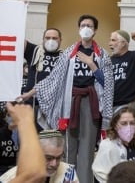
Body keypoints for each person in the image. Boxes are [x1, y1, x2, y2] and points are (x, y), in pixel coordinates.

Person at [19, 14, 114, 183]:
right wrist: (29, 93)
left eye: (90, 26)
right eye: (83, 25)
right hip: (69, 104)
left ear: (95, 30)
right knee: (68, 149)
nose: (86, 28)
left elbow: (107, 82)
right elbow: (53, 79)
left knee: (86, 151)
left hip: (91, 105)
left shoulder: (103, 55)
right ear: (78, 29)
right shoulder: (69, 53)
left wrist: (91, 64)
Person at [92, 107, 135, 182]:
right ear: (115, 125)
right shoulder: (107, 145)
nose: (128, 127)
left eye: (132, 123)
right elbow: (101, 175)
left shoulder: (134, 144)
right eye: (124, 123)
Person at [0, 103, 46, 183]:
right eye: (9, 115)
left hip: (17, 169)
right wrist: (25, 121)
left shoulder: (22, 133)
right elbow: (34, 175)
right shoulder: (2, 133)